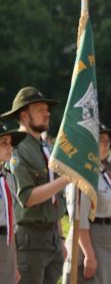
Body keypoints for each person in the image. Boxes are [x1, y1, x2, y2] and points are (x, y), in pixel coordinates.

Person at [2, 86, 69, 284]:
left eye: (47, 109)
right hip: (30, 238)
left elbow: (55, 199)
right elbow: (27, 198)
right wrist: (66, 178)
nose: (47, 113)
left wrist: (61, 238)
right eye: (40, 109)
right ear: (24, 115)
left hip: (52, 237)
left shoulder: (46, 147)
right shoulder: (18, 149)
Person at [63, 124, 111, 283]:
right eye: (101, 140)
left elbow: (110, 214)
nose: (107, 145)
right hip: (90, 240)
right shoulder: (82, 174)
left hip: (105, 239)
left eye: (108, 141)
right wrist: (89, 255)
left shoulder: (102, 173)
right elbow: (80, 218)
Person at [0, 123, 26, 283]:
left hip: (6, 244)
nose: (10, 147)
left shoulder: (8, 177)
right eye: (3, 143)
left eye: (10, 143)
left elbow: (11, 222)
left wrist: (14, 263)